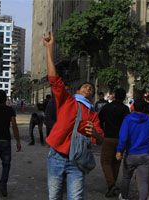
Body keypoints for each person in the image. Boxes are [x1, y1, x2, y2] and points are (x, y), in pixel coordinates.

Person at [44, 32, 104, 199]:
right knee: (54, 196)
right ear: (77, 91)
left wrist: (96, 134)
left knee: (76, 197)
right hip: (56, 156)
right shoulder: (67, 101)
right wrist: (49, 48)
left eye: (90, 89)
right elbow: (54, 79)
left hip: (77, 160)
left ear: (92, 96)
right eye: (84, 87)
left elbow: (100, 140)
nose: (87, 89)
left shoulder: (92, 114)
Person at [116, 99, 149, 200]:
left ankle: (124, 197)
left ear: (133, 107)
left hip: (131, 154)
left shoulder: (128, 119)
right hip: (145, 154)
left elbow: (123, 137)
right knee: (143, 182)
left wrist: (119, 150)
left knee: (126, 178)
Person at [99, 88, 130, 198]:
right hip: (120, 139)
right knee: (116, 162)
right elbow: (127, 125)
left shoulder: (106, 107)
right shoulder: (125, 109)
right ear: (124, 97)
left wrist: (102, 131)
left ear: (115, 95)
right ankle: (112, 184)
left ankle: (111, 185)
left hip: (108, 137)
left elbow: (99, 120)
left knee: (105, 162)